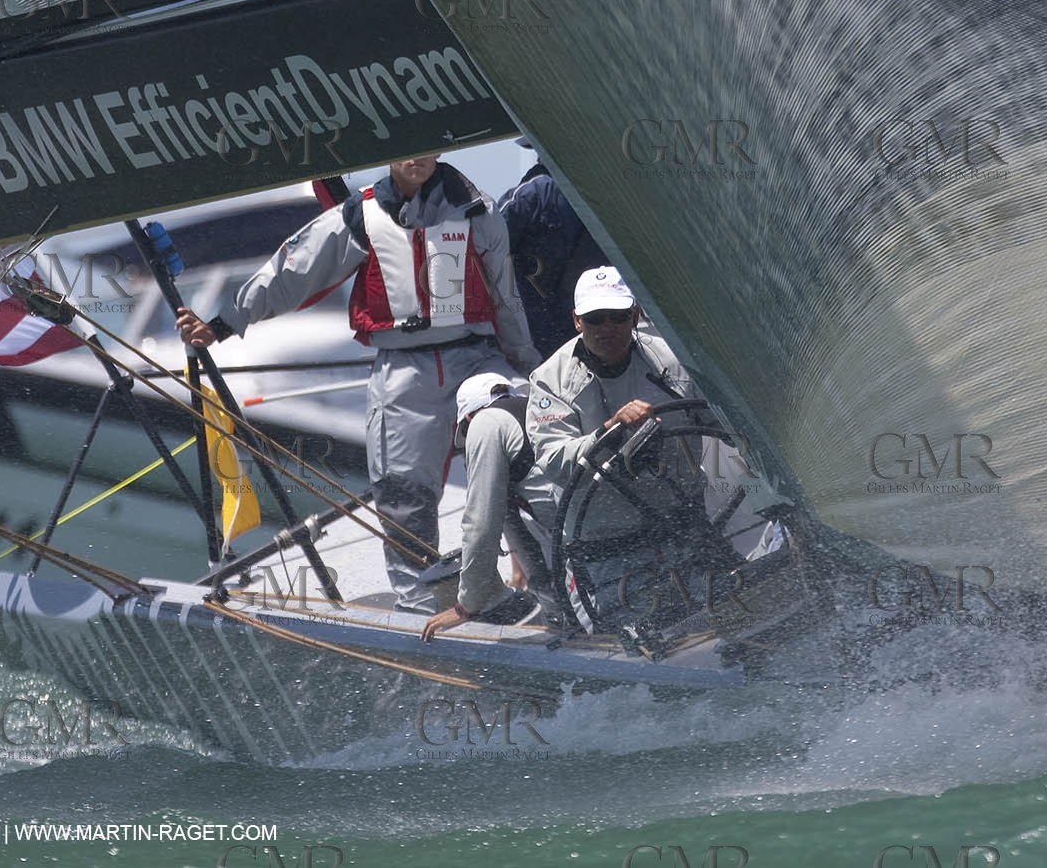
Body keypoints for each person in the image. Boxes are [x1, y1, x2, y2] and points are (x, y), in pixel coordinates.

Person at [177, 155, 539, 613]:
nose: (416, 159)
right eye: (406, 150)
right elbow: (296, 266)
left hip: (476, 357)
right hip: (403, 368)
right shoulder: (360, 214)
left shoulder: (477, 211)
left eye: (426, 148)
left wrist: (528, 369)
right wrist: (223, 324)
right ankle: (421, 604)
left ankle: (545, 585)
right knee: (402, 491)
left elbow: (506, 297)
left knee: (516, 449)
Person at [526, 266, 734, 628]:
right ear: (577, 321)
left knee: (727, 614)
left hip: (682, 525)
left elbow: (723, 422)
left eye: (618, 317)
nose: (607, 327)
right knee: (633, 636)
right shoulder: (549, 381)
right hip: (606, 545)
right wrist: (608, 432)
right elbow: (553, 461)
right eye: (595, 318)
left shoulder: (672, 359)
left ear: (635, 316)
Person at [421, 372, 563, 641]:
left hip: (578, 548)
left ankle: (562, 624)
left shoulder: (485, 424)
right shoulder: (535, 408)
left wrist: (467, 605)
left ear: (468, 419)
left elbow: (481, 523)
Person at [497, 141, 610, 359]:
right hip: (586, 331)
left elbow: (487, 248)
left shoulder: (531, 192)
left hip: (542, 332)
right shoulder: (535, 193)